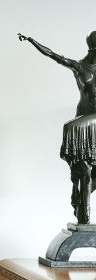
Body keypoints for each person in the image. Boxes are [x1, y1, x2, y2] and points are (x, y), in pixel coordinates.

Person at [19, 32, 96, 224]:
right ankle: (82, 209)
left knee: (89, 170)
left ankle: (81, 203)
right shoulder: (80, 67)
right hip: (85, 119)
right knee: (83, 166)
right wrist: (31, 40)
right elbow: (53, 55)